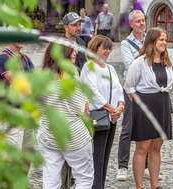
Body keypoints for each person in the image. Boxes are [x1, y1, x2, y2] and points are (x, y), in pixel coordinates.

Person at [39, 44, 93, 189]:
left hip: (48, 134)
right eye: (71, 50)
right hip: (74, 136)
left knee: (50, 180)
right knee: (84, 178)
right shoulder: (71, 77)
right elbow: (82, 110)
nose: (75, 52)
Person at [124, 27, 173, 189]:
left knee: (157, 147)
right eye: (161, 40)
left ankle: (154, 185)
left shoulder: (166, 62)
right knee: (142, 148)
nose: (164, 43)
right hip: (145, 107)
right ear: (152, 41)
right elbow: (129, 87)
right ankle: (140, 186)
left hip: (162, 106)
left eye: (165, 40)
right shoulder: (139, 62)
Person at [80, 35, 124, 189]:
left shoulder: (110, 68)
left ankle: (100, 185)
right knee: (96, 157)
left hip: (111, 118)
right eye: (104, 48)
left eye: (109, 48)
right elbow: (92, 91)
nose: (107, 51)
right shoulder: (89, 66)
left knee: (105, 157)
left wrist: (120, 107)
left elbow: (119, 90)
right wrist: (111, 108)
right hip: (97, 117)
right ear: (95, 48)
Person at [117, 9, 146, 181]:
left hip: (149, 89)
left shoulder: (152, 37)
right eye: (138, 21)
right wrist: (145, 50)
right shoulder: (126, 43)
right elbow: (130, 64)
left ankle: (147, 165)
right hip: (131, 90)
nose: (142, 24)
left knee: (149, 129)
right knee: (127, 129)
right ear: (131, 24)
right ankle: (122, 166)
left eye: (143, 20)